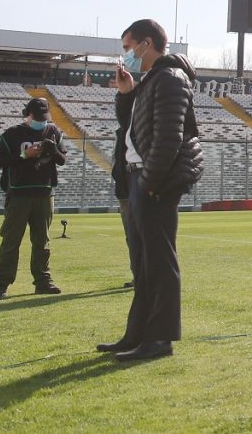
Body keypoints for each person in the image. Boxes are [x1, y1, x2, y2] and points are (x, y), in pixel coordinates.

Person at [96, 19, 203, 361]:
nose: (126, 56)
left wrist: (152, 181)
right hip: (141, 178)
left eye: (128, 48)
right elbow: (131, 130)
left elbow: (169, 137)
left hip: (154, 181)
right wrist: (126, 94)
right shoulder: (151, 81)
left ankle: (159, 340)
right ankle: (137, 335)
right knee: (143, 265)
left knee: (158, 263)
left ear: (146, 43)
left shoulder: (170, 79)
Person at [0, 98, 66, 300]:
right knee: (11, 241)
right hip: (19, 193)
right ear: (28, 114)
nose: (41, 121)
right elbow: (0, 161)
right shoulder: (12, 133)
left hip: (44, 194)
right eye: (37, 117)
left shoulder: (53, 131)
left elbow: (62, 160)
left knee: (42, 242)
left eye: (44, 117)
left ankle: (43, 281)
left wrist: (53, 149)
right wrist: (24, 155)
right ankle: (0, 284)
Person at [111, 127, 134, 288]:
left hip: (142, 191)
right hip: (125, 192)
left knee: (145, 237)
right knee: (132, 238)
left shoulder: (147, 127)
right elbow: (116, 161)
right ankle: (138, 275)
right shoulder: (120, 132)